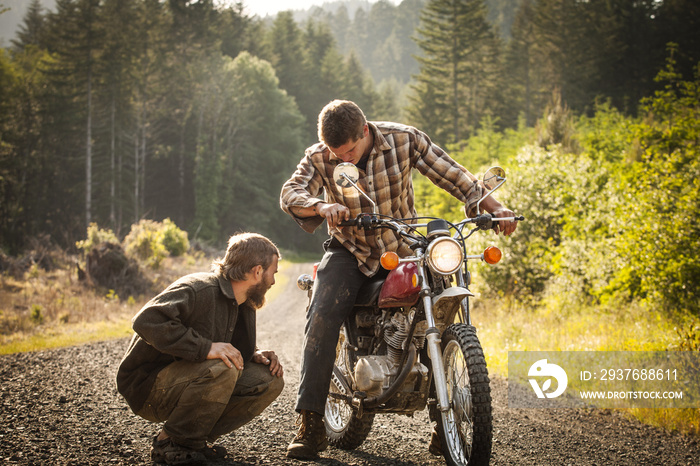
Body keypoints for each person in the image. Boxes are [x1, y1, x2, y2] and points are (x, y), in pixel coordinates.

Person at [279, 99, 518, 460]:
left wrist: (496, 209)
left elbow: (455, 175)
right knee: (323, 312)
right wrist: (321, 206)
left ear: (364, 131)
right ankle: (310, 423)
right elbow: (291, 192)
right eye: (335, 154)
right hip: (351, 250)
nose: (343, 159)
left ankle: (445, 423)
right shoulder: (318, 157)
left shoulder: (404, 140)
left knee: (436, 310)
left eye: (350, 151)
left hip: (402, 245)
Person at [116, 232, 284, 465]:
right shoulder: (198, 289)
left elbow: (222, 342)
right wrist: (205, 348)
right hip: (148, 389)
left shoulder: (245, 301)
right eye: (272, 273)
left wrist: (253, 353)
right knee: (222, 367)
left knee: (269, 379)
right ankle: (171, 443)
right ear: (257, 271)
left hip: (185, 381)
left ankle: (193, 440)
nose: (273, 281)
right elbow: (145, 321)